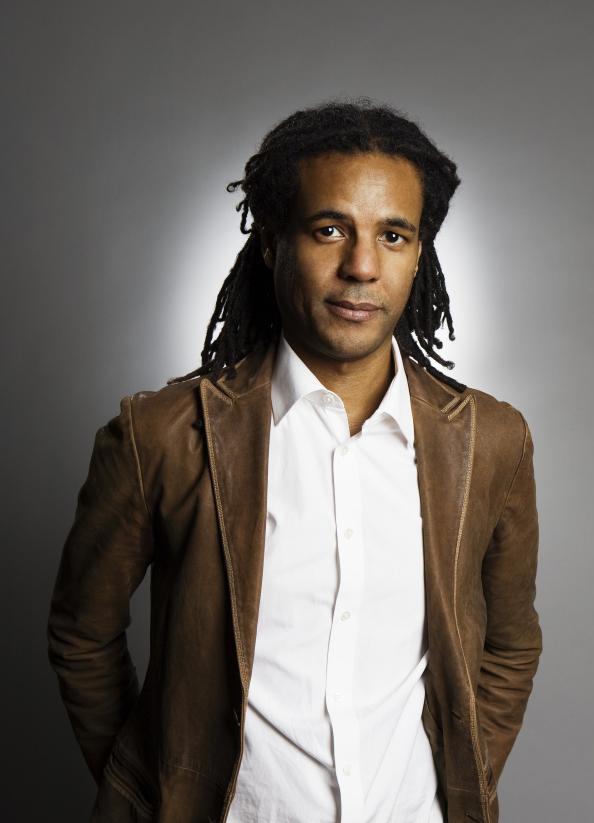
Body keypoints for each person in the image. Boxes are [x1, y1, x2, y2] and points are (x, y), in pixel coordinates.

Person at [47, 98, 542, 823]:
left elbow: (510, 644)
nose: (361, 267)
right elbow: (83, 634)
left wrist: (463, 778)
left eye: (393, 235)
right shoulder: (161, 436)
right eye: (329, 229)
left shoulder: (492, 440)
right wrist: (153, 790)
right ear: (273, 243)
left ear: (419, 253)